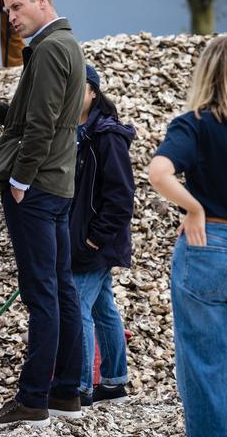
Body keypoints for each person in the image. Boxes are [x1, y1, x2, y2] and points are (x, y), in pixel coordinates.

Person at [0, 0, 85, 429]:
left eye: (17, 7)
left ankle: (33, 398)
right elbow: (30, 116)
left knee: (42, 294)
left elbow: (40, 125)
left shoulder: (49, 49)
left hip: (36, 190)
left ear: (42, 1)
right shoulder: (66, 45)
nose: (11, 18)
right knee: (60, 289)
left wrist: (20, 178)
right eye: (6, 11)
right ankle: (64, 392)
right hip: (57, 186)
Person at [148, 35, 227, 437]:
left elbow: (158, 172)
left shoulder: (195, 123)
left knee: (204, 367)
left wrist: (193, 208)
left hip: (206, 245)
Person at [70, 64, 135, 407]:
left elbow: (121, 197)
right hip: (83, 238)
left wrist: (95, 238)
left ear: (93, 92)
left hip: (94, 242)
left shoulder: (106, 136)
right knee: (103, 308)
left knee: (77, 304)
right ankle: (113, 382)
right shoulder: (77, 133)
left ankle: (78, 389)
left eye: (78, 87)